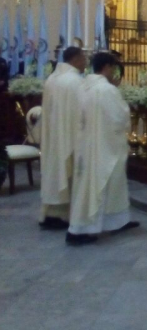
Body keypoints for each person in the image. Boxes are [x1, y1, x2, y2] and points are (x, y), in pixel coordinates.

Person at [67, 52, 138, 245]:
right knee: (102, 186)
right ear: (106, 67)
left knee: (96, 186)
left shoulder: (84, 87)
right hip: (104, 147)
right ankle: (82, 229)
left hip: (87, 145)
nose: (114, 72)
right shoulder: (107, 90)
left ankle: (117, 221)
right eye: (113, 68)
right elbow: (120, 118)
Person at [39, 47, 86, 230]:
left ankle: (51, 213)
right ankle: (64, 215)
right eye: (84, 58)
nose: (86, 62)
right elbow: (82, 111)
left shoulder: (52, 79)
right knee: (67, 173)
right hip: (69, 136)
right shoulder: (75, 81)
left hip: (53, 136)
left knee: (53, 171)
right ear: (77, 59)